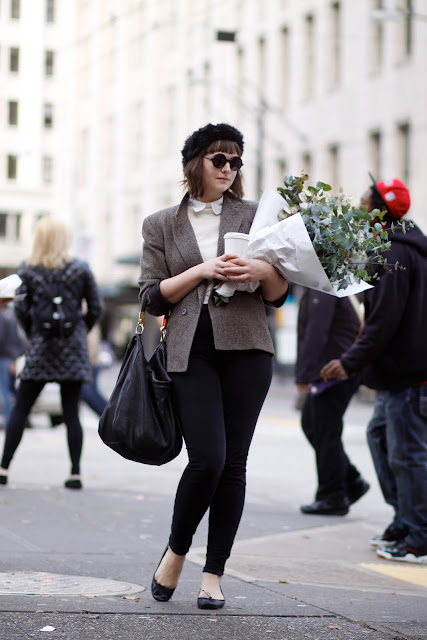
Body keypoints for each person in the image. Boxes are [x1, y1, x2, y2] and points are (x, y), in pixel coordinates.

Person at [138, 123, 288, 609]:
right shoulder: (161, 224)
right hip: (188, 351)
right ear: (195, 163)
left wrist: (263, 270)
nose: (228, 168)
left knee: (234, 466)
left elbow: (281, 292)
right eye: (219, 159)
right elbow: (150, 296)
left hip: (248, 349)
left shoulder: (257, 216)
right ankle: (177, 552)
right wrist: (202, 270)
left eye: (236, 161)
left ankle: (213, 574)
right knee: (207, 460)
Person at [321, 177, 427, 563]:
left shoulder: (394, 253)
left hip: (410, 376)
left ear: (380, 211)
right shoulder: (400, 247)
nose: (359, 209)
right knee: (380, 437)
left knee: (407, 454)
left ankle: (419, 534)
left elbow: (382, 322)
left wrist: (348, 362)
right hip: (399, 373)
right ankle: (406, 520)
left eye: (365, 203)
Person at [0, 216, 103, 489]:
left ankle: (4, 467)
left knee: (21, 407)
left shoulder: (29, 269)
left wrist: (35, 333)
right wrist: (79, 330)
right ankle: (75, 473)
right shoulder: (80, 269)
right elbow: (96, 307)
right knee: (71, 413)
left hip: (41, 347)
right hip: (73, 348)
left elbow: (20, 308)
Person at [296, 288, 369, 516]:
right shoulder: (338, 285)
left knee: (325, 431)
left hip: (333, 371)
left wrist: (304, 373)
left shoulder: (325, 287)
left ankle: (332, 496)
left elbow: (317, 331)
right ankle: (351, 480)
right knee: (311, 424)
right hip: (337, 368)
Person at [0, 303, 24, 427]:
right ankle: (9, 419)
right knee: (8, 391)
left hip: (3, 357)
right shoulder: (11, 317)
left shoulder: (3, 317)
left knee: (4, 391)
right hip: (8, 358)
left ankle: (8, 420)